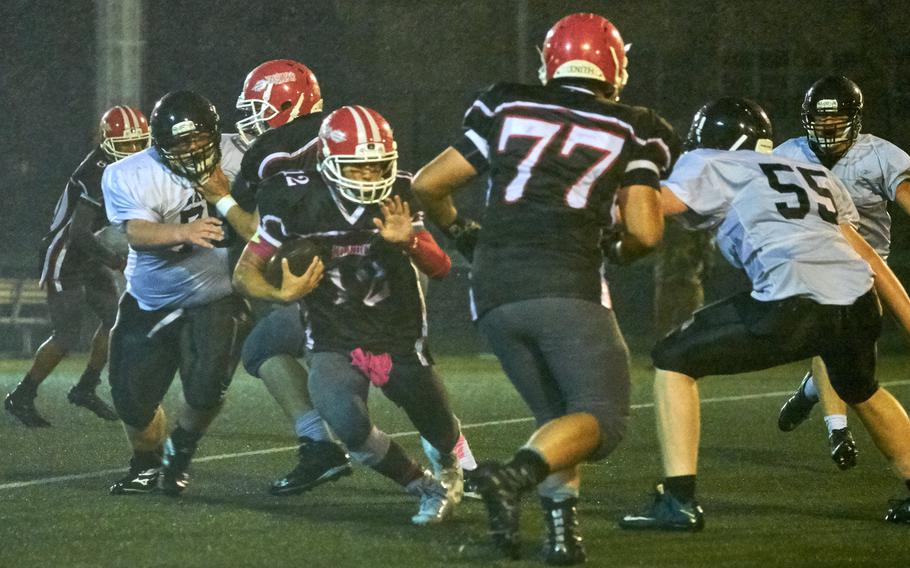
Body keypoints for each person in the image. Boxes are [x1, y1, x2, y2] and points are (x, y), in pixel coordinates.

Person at [412, 13, 677, 564]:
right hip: (566, 281)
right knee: (602, 420)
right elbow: (646, 233)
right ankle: (511, 477)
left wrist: (464, 235)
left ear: (549, 63)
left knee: (558, 416)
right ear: (616, 68)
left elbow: (427, 184)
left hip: (492, 289)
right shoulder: (637, 126)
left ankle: (562, 535)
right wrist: (619, 251)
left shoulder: (508, 103)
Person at [618, 97, 910, 532]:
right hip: (859, 300)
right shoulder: (814, 173)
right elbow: (867, 253)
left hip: (793, 300)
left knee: (673, 359)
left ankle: (677, 500)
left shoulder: (712, 161)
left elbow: (649, 210)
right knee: (862, 388)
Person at [216, 60, 477, 496]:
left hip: (370, 289)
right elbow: (256, 257)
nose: (251, 120)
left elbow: (253, 234)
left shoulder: (275, 155)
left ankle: (320, 446)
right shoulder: (358, 136)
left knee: (395, 381)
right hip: (360, 290)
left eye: (258, 107)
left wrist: (220, 200)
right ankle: (438, 470)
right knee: (359, 390)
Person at [102, 90, 250, 496]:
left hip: (217, 295)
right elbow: (134, 232)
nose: (190, 150)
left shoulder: (241, 154)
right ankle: (146, 464)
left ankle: (180, 450)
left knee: (206, 388)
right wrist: (185, 231)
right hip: (151, 299)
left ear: (214, 133)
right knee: (130, 400)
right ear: (158, 143)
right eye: (178, 143)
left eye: (198, 139)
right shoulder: (128, 172)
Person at [773, 76, 910, 470]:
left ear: (855, 119)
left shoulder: (880, 155)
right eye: (820, 119)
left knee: (855, 360)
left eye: (836, 119)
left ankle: (810, 391)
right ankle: (838, 431)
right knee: (828, 338)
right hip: (816, 263)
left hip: (870, 268)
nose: (828, 127)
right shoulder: (789, 154)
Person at [4, 106, 149, 427]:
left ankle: (85, 388)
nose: (134, 152)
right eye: (126, 145)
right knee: (67, 335)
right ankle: (22, 395)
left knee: (116, 319)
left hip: (87, 252)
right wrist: (116, 261)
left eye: (139, 143)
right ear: (107, 142)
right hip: (65, 255)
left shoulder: (119, 169)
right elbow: (78, 233)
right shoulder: (98, 173)